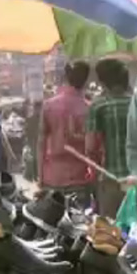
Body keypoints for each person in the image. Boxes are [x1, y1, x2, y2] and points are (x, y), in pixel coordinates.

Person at [37, 61, 95, 205]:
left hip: (52, 178)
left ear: (66, 78)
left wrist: (40, 177)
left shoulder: (49, 105)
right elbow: (92, 148)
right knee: (79, 218)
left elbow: (41, 143)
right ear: (85, 81)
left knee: (52, 217)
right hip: (80, 179)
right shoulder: (89, 109)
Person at [86, 59, 131, 218]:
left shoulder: (98, 105)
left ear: (103, 81)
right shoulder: (135, 101)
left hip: (110, 179)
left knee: (110, 229)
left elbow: (90, 147)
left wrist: (94, 175)